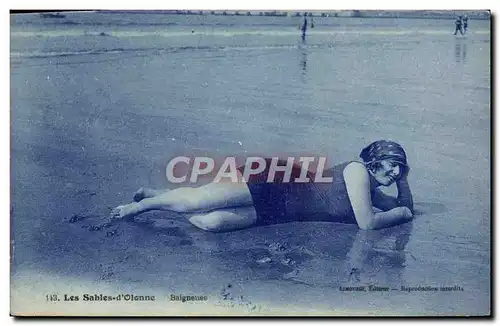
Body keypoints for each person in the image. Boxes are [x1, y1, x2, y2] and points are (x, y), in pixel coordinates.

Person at [110, 140, 414, 232]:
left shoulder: (371, 191)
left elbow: (404, 206)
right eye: (391, 165)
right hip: (275, 181)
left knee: (211, 222)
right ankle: (142, 205)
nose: (395, 172)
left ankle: (161, 197)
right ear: (374, 161)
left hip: (282, 210)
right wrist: (401, 215)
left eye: (400, 169)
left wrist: (403, 185)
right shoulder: (357, 172)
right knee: (197, 202)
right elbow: (369, 222)